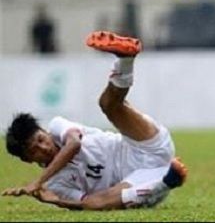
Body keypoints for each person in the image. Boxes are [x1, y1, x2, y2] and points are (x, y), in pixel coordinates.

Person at [2, 31, 188, 210]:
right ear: (27, 160)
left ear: (44, 131)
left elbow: (74, 143)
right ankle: (166, 183)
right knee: (97, 203)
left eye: (41, 140)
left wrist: (38, 181)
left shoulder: (57, 126)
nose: (43, 148)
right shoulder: (55, 184)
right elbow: (85, 203)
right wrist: (56, 201)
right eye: (34, 151)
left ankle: (125, 58)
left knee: (108, 105)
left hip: (141, 146)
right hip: (138, 180)